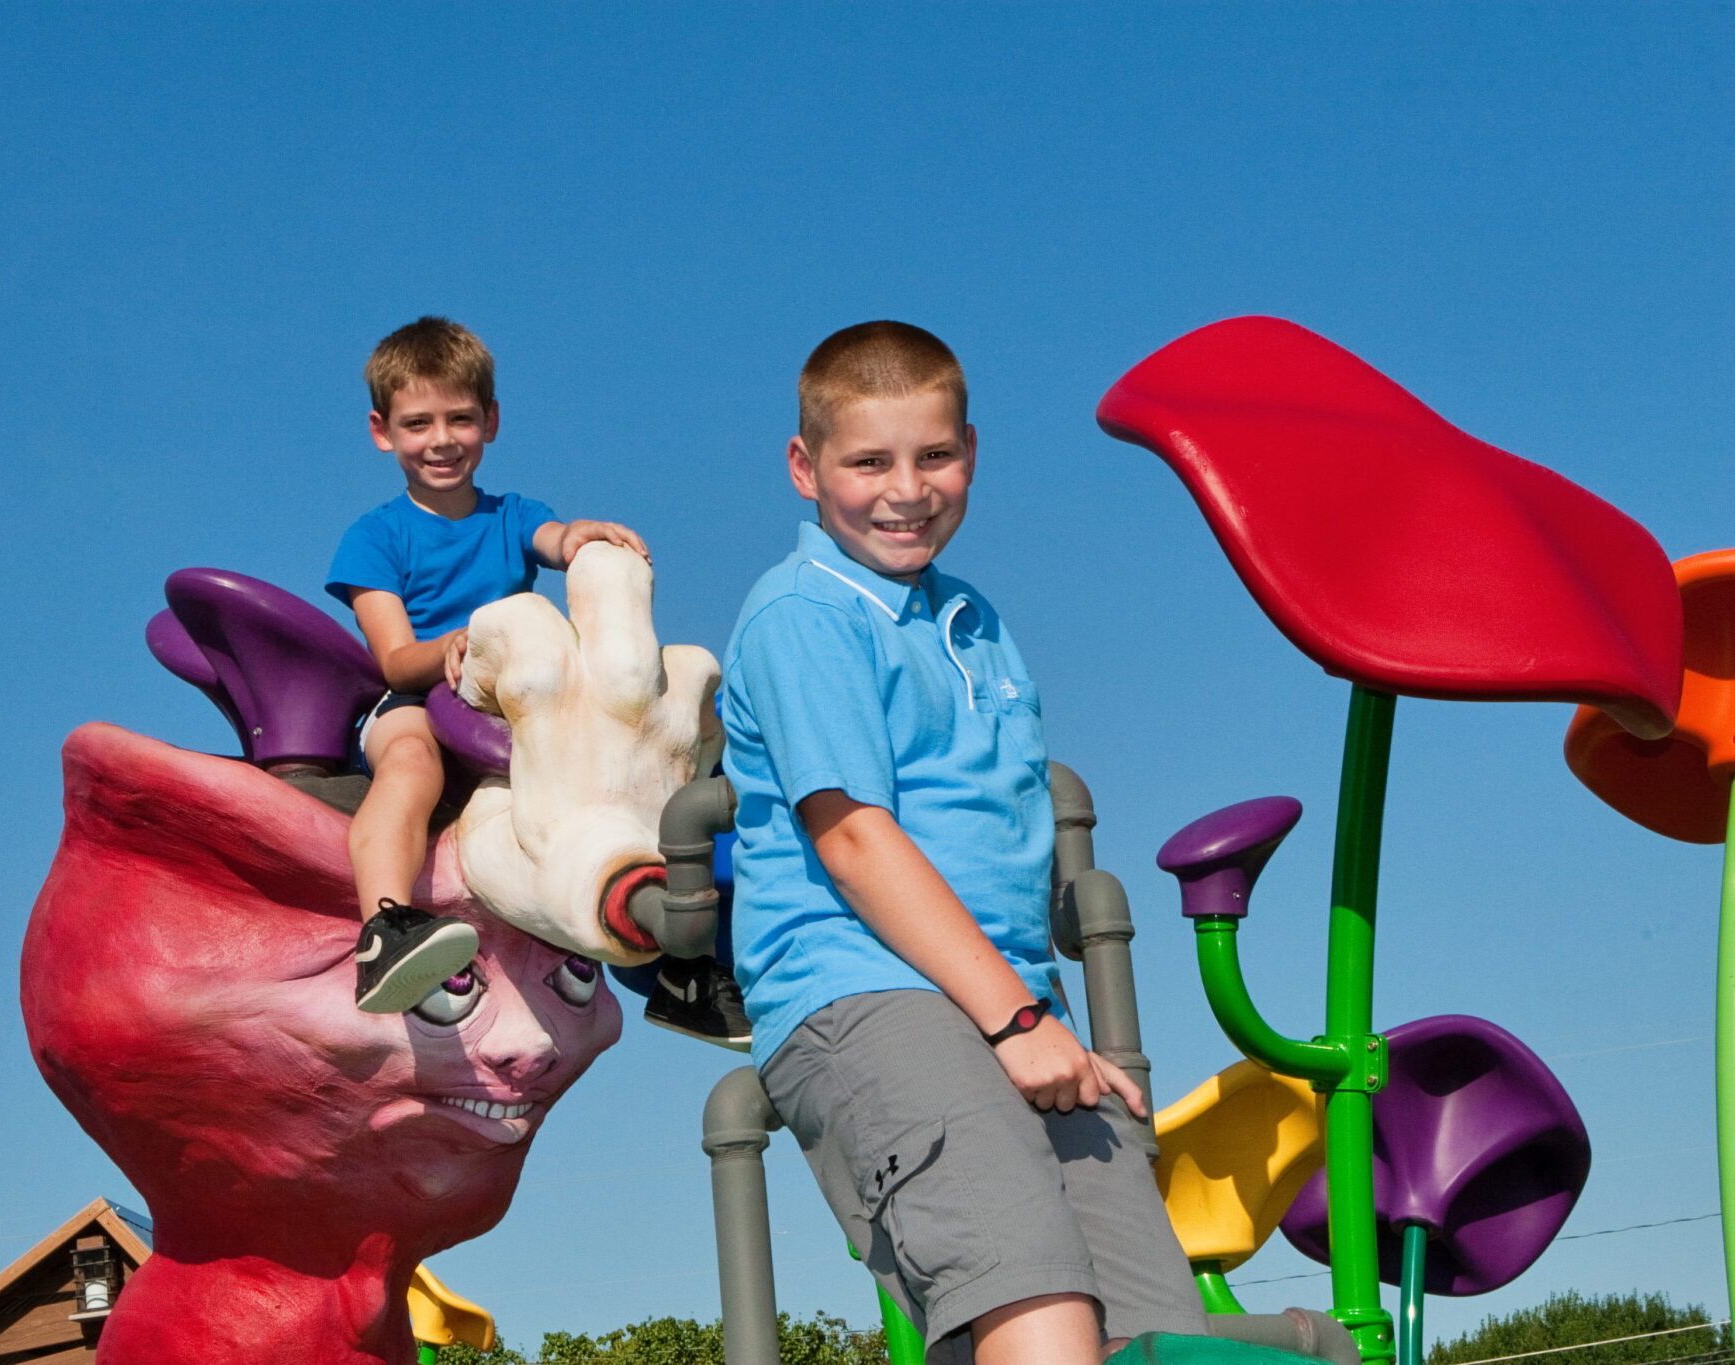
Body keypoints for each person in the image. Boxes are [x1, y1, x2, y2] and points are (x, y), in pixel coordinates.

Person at [719, 322, 1207, 1364]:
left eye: (932, 456)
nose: (905, 488)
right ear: (803, 468)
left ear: (970, 454)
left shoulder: (970, 620)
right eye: (866, 462)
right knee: (1035, 1308)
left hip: (1008, 998)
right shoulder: (803, 613)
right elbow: (850, 835)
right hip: (864, 993)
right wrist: (1018, 1014)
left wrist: (1031, 1014)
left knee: (1159, 1336)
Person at [327, 317, 746, 1047]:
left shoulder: (512, 514)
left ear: (490, 420)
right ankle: (386, 925)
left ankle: (683, 964)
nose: (441, 438)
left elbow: (552, 541)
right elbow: (393, 658)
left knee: (641, 773)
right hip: (423, 696)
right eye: (417, 422)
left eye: (460, 418)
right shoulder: (377, 536)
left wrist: (581, 538)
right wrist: (453, 646)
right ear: (381, 431)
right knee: (409, 763)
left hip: (511, 705)